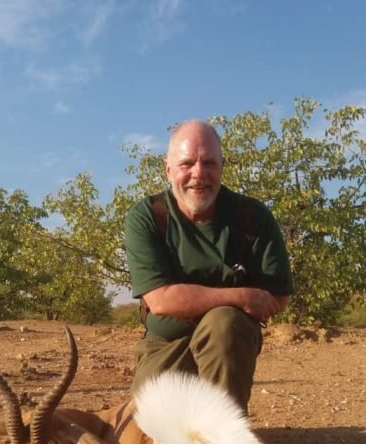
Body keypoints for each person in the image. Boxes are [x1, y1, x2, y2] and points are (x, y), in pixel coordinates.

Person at [125, 119, 294, 412]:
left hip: (225, 348)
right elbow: (160, 300)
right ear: (168, 169)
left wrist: (205, 305)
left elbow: (278, 295)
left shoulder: (252, 216)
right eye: (187, 163)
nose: (198, 174)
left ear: (222, 166)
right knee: (150, 432)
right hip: (165, 342)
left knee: (224, 324)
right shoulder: (146, 217)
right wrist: (240, 297)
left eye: (209, 163)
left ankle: (223, 443)